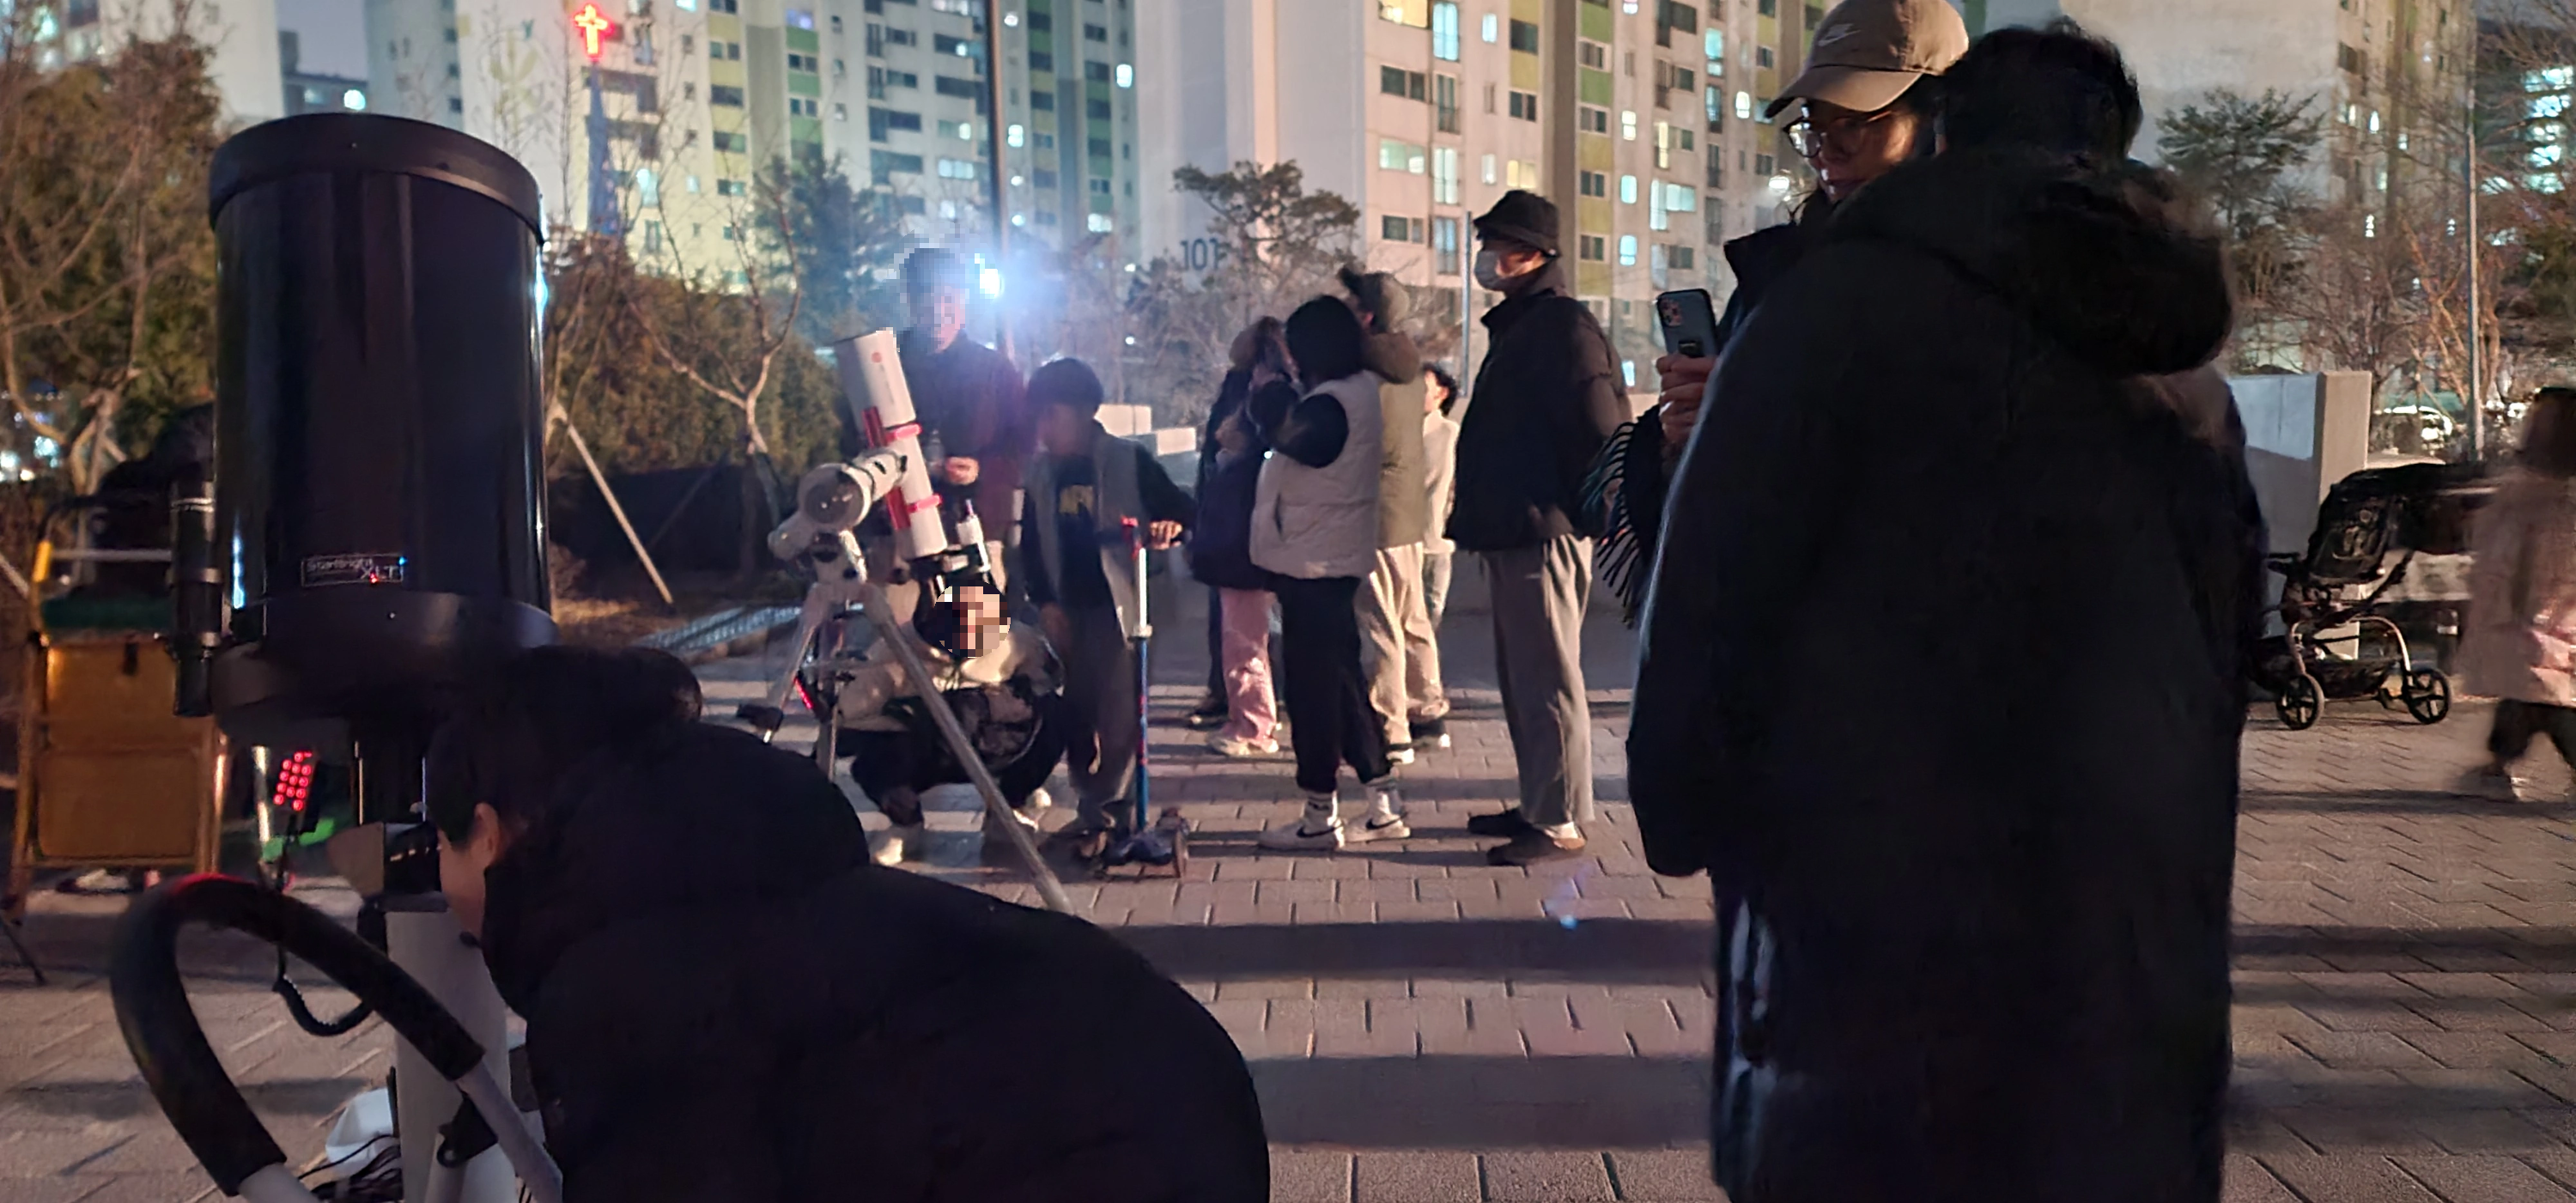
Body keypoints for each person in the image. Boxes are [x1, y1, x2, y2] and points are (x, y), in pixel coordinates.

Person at [1629, 23, 2262, 1200]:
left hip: (1872, 950)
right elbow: (2229, 663)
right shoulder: (2184, 376)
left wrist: (1683, 803)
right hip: (2123, 957)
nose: (1832, 142)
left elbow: (1711, 600)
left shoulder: (1828, 314)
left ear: (1942, 130)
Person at [428, 646, 1271, 1203]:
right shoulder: (770, 883)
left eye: (440, 844)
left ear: (488, 834)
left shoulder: (621, 984)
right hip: (1187, 1131)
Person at [1588, 0, 1964, 623]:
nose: (1826, 152)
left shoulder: (1977, 283)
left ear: (1940, 125)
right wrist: (1688, 434)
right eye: (1814, 127)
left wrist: (1758, 411)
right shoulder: (1777, 276)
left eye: (1856, 125)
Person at [1449, 189, 1625, 866]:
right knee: (1524, 677)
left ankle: (1560, 820)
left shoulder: (1562, 326)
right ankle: (1539, 801)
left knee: (1548, 678)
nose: (1487, 257)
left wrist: (1606, 509)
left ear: (1532, 253)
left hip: (1541, 526)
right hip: (1510, 525)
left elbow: (1599, 423)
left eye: (1498, 245)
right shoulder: (1524, 325)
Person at [1252, 297, 1411, 851]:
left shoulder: (1330, 404)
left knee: (1313, 691)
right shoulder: (1358, 392)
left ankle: (1320, 812)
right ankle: (1382, 801)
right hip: (1329, 557)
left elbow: (1294, 439)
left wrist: (1269, 394)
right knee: (1342, 681)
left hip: (1314, 560)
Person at [1018, 358, 1192, 839]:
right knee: (1076, 713)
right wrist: (1045, 603)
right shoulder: (1040, 473)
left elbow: (1181, 509)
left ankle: (1111, 814)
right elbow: (1030, 544)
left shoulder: (1128, 460)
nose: (1043, 428)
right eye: (1039, 417)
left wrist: (1170, 527)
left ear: (1084, 411)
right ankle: (1088, 801)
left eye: (1052, 415)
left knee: (1119, 713)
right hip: (1065, 608)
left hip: (1123, 609)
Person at [842, 248, 1029, 615]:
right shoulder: (882, 366)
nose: (939, 310)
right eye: (928, 298)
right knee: (892, 644)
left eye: (949, 298)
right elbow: (852, 441)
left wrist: (981, 469)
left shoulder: (993, 370)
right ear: (911, 301)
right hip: (897, 541)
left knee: (973, 646)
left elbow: (1023, 447)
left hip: (972, 535)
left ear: (964, 300)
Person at [824, 583, 1064, 866]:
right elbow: (848, 720)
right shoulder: (891, 652)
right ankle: (906, 824)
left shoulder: (1017, 640)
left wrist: (1012, 699)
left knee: (1055, 715)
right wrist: (914, 714)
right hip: (924, 750)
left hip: (992, 741)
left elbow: (1047, 681)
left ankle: (1007, 807)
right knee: (873, 757)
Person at [1341, 268, 1444, 765]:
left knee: (1381, 625)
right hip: (1407, 514)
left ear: (1366, 316)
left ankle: (1392, 728)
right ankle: (1428, 710)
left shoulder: (1367, 377)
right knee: (1412, 619)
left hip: (1376, 515)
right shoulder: (1409, 369)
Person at [2458, 386, 2576, 802]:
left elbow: (2523, 558)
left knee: (2543, 696)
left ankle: (2497, 768)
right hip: (2543, 618)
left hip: (2542, 617)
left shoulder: (2545, 495)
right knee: (2536, 695)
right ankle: (2497, 766)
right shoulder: (2539, 490)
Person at [1190, 320, 1292, 758]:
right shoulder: (1294, 394)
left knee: (1243, 636)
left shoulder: (1254, 400)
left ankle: (1253, 724)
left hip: (1238, 538)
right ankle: (1259, 714)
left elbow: (1222, 442)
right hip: (1265, 533)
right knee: (1258, 633)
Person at [1415, 364, 1463, 750]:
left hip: (1437, 545)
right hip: (1403, 544)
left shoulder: (1450, 435)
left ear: (1441, 393)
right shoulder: (1396, 433)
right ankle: (1424, 709)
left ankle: (1425, 707)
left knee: (1428, 626)